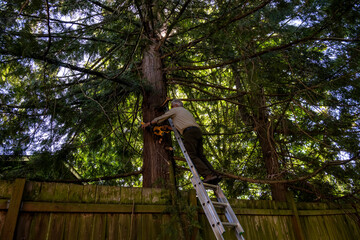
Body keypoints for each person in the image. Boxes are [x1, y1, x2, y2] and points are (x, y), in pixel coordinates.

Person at [142, 99, 222, 184]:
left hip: (189, 133)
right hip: (197, 131)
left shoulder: (175, 110)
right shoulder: (186, 112)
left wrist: (149, 123)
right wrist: (169, 128)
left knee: (191, 155)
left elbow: (162, 118)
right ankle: (214, 174)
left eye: (172, 106)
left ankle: (208, 175)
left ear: (176, 105)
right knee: (201, 156)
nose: (171, 108)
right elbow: (182, 124)